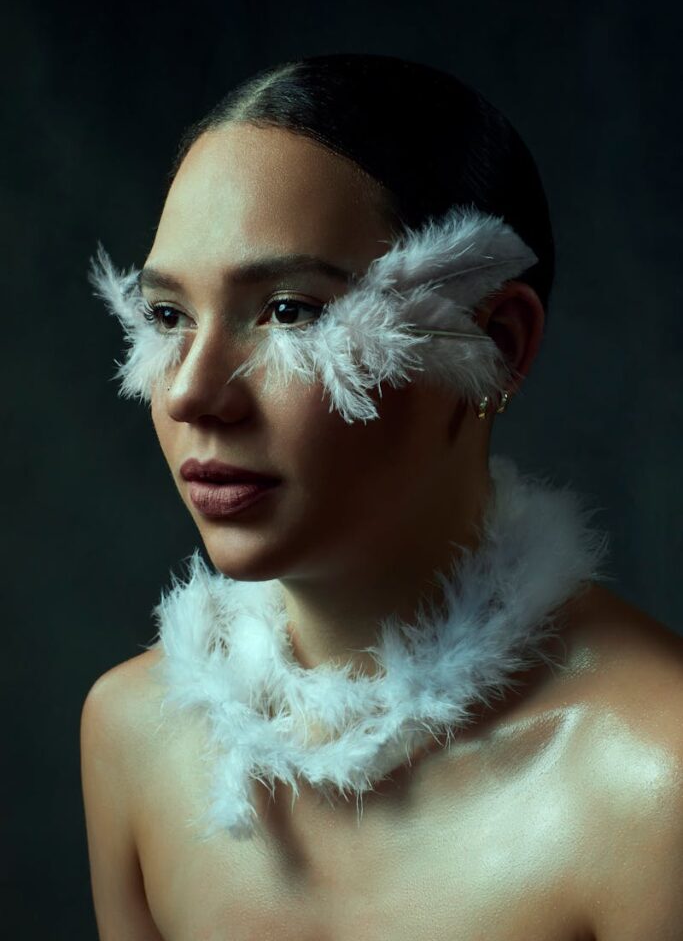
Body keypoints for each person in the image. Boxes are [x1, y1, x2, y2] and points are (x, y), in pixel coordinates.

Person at [80, 54, 683, 941]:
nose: (190, 393)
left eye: (289, 311)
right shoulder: (130, 734)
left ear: (497, 344)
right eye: (169, 316)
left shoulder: (655, 779)